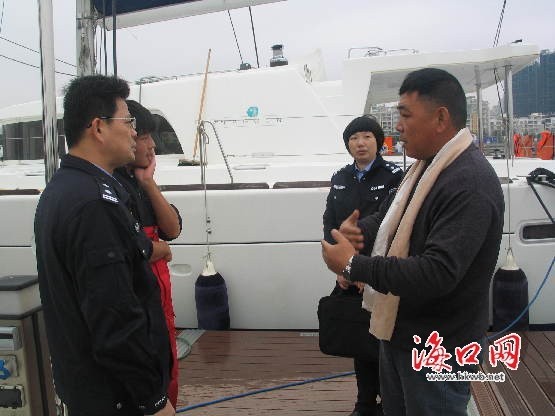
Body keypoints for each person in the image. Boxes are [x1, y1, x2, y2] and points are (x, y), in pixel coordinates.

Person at [321, 68, 504, 416]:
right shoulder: (424, 169)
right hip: (400, 332)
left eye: (405, 115)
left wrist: (354, 265)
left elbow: (437, 272)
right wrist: (359, 233)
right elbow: (389, 216)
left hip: (439, 346)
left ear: (441, 118)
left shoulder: (469, 183)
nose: (398, 127)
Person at [34, 75, 174, 416]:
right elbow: (115, 319)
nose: (134, 133)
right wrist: (153, 401)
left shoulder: (63, 189)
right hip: (117, 397)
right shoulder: (95, 204)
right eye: (128, 122)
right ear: (98, 127)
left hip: (88, 388)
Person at [323, 115, 402, 416]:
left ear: (378, 142)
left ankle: (390, 402)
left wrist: (362, 268)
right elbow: (330, 223)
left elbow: (391, 224)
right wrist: (341, 269)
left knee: (385, 338)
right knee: (360, 338)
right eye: (354, 138)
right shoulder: (340, 178)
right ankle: (365, 403)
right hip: (348, 270)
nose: (360, 143)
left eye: (367, 136)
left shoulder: (394, 176)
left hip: (380, 270)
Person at [114, 100, 182, 409]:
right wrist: (161, 249)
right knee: (152, 375)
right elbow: (131, 247)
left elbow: (173, 228)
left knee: (168, 369)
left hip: (160, 304)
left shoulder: (138, 183)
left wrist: (149, 182)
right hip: (141, 304)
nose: (152, 145)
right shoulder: (112, 188)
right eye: (144, 136)